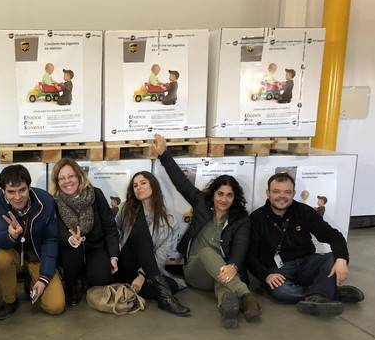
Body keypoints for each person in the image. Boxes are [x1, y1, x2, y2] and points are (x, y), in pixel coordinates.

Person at [153, 134, 261, 328]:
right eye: (220, 194)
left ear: (235, 198)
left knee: (222, 281)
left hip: (223, 271)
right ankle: (245, 295)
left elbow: (241, 245)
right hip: (196, 270)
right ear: (213, 194)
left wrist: (233, 265)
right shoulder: (201, 203)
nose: (223, 199)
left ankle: (228, 308)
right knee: (207, 253)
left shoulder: (241, 219)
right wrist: (163, 155)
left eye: (229, 195)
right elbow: (181, 183)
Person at [247, 173, 364, 317]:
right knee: (282, 292)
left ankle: (321, 294)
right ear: (268, 193)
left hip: (307, 263)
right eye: (276, 191)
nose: (281, 196)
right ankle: (326, 293)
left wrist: (342, 259)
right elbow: (250, 256)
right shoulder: (257, 218)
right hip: (278, 270)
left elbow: (333, 235)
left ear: (293, 193)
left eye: (287, 192)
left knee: (332, 257)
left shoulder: (304, 211)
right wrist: (266, 276)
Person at [0, 164, 65, 319]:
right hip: (12, 254)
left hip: (38, 257)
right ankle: (10, 301)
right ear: (3, 191)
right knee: (1, 257)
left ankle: (32, 280)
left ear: (29, 187)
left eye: (22, 190)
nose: (17, 196)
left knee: (56, 306)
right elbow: (0, 240)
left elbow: (51, 239)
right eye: (11, 192)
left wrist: (44, 279)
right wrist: (11, 235)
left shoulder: (46, 201)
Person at [114, 171, 191, 316]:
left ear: (153, 186)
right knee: (142, 237)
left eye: (143, 183)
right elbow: (114, 230)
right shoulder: (127, 208)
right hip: (127, 259)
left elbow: (161, 254)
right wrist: (116, 249)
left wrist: (142, 276)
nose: (139, 187)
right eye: (135, 185)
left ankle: (140, 286)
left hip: (149, 267)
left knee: (173, 285)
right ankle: (166, 298)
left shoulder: (169, 219)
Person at [49, 158, 118, 306]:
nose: (67, 181)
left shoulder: (96, 195)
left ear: (79, 176)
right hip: (70, 250)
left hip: (95, 247)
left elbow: (110, 227)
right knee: (72, 256)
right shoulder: (54, 201)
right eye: (61, 178)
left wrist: (113, 255)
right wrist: (69, 238)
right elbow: (56, 229)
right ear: (57, 182)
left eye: (71, 176)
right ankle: (72, 282)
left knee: (101, 278)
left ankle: (87, 278)